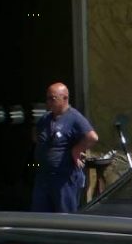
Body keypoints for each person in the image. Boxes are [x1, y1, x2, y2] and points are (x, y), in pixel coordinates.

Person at [32, 82, 98, 213]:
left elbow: (92, 137)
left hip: (64, 178)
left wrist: (77, 149)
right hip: (43, 177)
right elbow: (35, 133)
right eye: (47, 98)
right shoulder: (45, 118)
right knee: (40, 215)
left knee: (64, 216)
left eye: (53, 98)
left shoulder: (74, 117)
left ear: (65, 98)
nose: (49, 102)